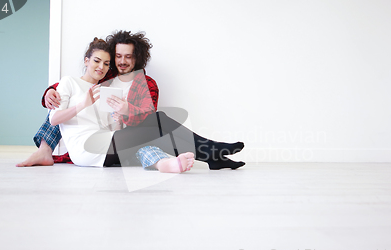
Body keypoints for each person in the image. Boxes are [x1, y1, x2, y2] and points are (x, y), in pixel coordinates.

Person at [17, 31, 245, 170]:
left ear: (138, 58)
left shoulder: (146, 85)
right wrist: (49, 92)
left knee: (159, 121)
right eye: (117, 57)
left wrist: (125, 112)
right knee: (160, 121)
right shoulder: (102, 78)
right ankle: (212, 152)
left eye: (129, 56)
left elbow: (147, 125)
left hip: (119, 140)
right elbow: (66, 93)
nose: (121, 61)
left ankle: (212, 156)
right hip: (93, 147)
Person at [44, 37, 195, 172]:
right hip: (85, 149)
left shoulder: (104, 90)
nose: (101, 67)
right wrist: (82, 104)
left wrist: (119, 121)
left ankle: (165, 163)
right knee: (156, 122)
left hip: (106, 144)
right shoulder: (68, 82)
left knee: (149, 134)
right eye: (96, 61)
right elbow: (53, 119)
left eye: (106, 64)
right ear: (86, 61)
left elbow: (110, 129)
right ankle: (209, 152)